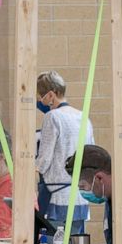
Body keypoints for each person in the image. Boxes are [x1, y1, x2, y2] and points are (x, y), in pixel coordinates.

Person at [36, 71, 94, 234]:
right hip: (80, 196)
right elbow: (93, 155)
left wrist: (29, 170)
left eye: (42, 95)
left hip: (56, 196)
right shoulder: (84, 118)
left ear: (51, 94)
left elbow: (44, 159)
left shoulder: (52, 117)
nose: (41, 100)